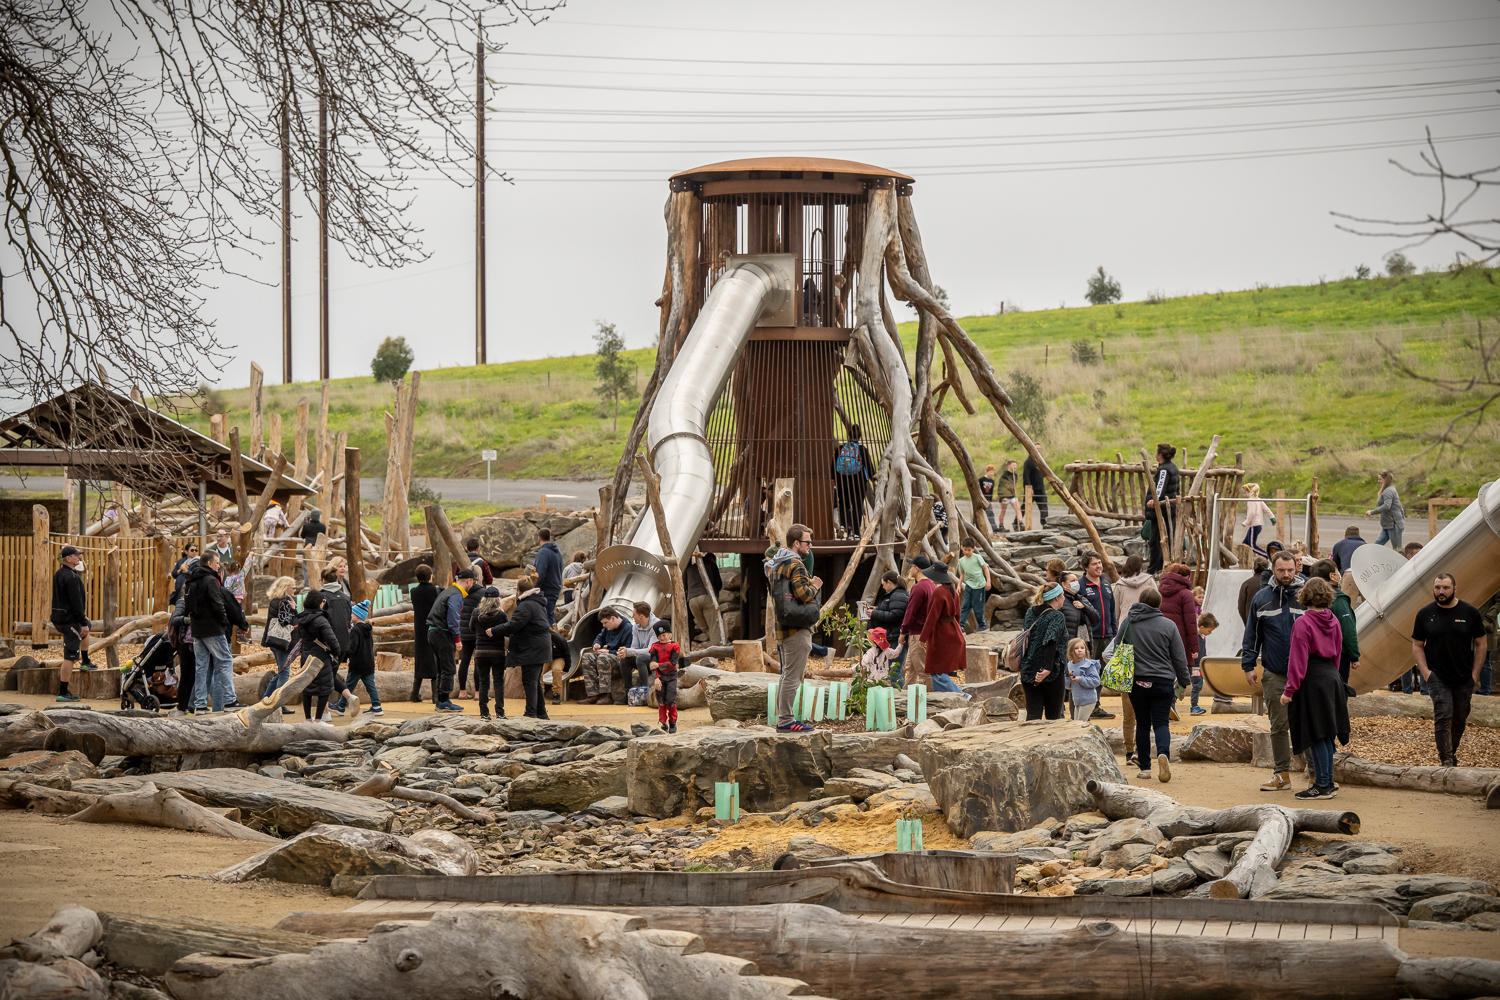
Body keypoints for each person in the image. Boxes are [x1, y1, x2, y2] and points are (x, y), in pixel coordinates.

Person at [1241, 551, 1307, 792]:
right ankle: (1282, 774)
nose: (1287, 574)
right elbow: (1252, 634)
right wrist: (1248, 665)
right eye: (1281, 570)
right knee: (1279, 726)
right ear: (1274, 570)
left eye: (1290, 570)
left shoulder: (1307, 595)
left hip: (1307, 675)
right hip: (1276, 673)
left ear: (1296, 568)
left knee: (1308, 723)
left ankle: (1315, 774)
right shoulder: (1262, 598)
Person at [1110, 587, 1189, 782]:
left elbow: (1116, 648)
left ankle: (1145, 767)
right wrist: (1184, 681)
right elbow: (1179, 658)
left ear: (1141, 601)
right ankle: (1163, 754)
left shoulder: (1129, 622)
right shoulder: (1169, 625)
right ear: (1158, 604)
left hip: (1137, 681)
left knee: (1142, 723)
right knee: (1161, 722)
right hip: (1163, 681)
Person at [1282, 578, 1351, 799]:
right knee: (1328, 732)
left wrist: (1289, 690)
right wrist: (1334, 677)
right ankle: (1327, 782)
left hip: (1312, 679)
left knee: (1317, 734)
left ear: (1305, 596)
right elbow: (1339, 652)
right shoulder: (1334, 620)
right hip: (1332, 676)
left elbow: (1298, 658)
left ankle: (1322, 784)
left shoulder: (1303, 623)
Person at [1412, 573, 1487, 767]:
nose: (1441, 592)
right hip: (1437, 676)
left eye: (1445, 588)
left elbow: (1481, 643)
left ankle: (1451, 752)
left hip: (1464, 676)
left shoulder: (1469, 612)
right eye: (1437, 587)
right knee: (1443, 714)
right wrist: (1426, 673)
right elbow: (1417, 645)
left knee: (1459, 718)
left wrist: (1474, 675)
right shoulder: (1425, 613)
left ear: (1455, 588)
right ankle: (1446, 760)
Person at [767, 523, 822, 733]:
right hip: (797, 628)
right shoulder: (796, 565)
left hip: (783, 626)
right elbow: (803, 595)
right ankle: (786, 721)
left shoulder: (776, 564)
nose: (810, 545)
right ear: (796, 543)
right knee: (792, 676)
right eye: (807, 542)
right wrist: (815, 585)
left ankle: (784, 719)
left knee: (786, 674)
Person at [185, 549, 249, 713]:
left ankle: (200, 704)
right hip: (213, 628)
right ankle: (230, 701)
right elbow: (217, 602)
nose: (219, 564)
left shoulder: (192, 581)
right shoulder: (210, 580)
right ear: (209, 563)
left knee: (202, 667)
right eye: (217, 561)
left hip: (197, 629)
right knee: (225, 661)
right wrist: (224, 621)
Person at [486, 577, 553, 718]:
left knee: (530, 680)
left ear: (519, 591)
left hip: (532, 648)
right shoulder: (538, 603)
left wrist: (495, 630)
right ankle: (541, 712)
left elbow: (515, 625)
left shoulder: (526, 605)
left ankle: (530, 713)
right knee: (534, 681)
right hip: (540, 646)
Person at [1109, 553, 1153, 758]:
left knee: (1128, 710)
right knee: (1145, 710)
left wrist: (1119, 625)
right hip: (1148, 634)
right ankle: (1142, 750)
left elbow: (1116, 610)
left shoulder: (1119, 585)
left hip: (1125, 635)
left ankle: (1128, 749)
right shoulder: (1150, 581)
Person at [425, 568, 473, 712]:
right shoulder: (456, 595)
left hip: (433, 631)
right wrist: (457, 639)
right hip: (442, 633)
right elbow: (453, 618)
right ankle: (444, 700)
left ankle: (440, 700)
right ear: (469, 581)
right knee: (449, 668)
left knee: (441, 667)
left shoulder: (448, 590)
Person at [50, 545, 93, 703]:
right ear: (68, 558)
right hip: (69, 621)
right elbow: (75, 601)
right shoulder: (71, 577)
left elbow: (65, 599)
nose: (79, 557)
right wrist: (82, 622)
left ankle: (86, 661)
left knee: (89, 626)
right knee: (70, 656)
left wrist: (83, 618)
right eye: (76, 555)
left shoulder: (60, 573)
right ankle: (63, 692)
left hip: (59, 617)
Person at [917, 561, 967, 695]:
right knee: (941, 669)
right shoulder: (953, 592)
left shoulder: (938, 592)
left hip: (941, 634)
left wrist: (923, 638)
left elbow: (932, 617)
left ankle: (961, 695)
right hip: (952, 631)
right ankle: (942, 698)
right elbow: (957, 615)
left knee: (937, 670)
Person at [1020, 583, 1069, 720]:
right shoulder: (1057, 616)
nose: (1064, 599)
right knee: (1053, 717)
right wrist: (1047, 668)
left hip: (1028, 668)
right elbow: (1050, 641)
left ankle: (1031, 741)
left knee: (1033, 715)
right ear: (1056, 598)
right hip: (1051, 672)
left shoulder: (1030, 611)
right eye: (1063, 596)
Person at [294, 590, 344, 722]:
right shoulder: (321, 620)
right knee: (324, 689)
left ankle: (307, 719)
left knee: (307, 687)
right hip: (321, 658)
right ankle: (318, 720)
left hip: (306, 656)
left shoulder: (302, 619)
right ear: (319, 603)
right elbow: (333, 642)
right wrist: (336, 652)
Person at [1078, 552, 1117, 720]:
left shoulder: (1106, 584)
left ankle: (1095, 706)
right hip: (1089, 637)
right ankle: (1083, 707)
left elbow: (1112, 610)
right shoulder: (1080, 585)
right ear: (1086, 567)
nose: (1099, 566)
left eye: (1100, 563)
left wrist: (1114, 633)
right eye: (1095, 564)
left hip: (1106, 635)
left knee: (1100, 673)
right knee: (1086, 672)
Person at [1307, 560, 1361, 682]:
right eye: (1337, 572)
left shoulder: (1310, 599)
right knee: (1338, 692)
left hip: (1315, 656)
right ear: (1332, 576)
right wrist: (1354, 656)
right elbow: (1347, 629)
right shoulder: (1338, 600)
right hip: (1338, 655)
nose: (1339, 575)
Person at [1158, 563, 1201, 707]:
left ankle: (1164, 703)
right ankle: (1171, 703)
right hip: (1180, 640)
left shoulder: (1159, 590)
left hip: (1160, 638)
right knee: (1181, 672)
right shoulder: (1186, 594)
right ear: (1186, 577)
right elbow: (1190, 623)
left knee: (1164, 671)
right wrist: (1195, 646)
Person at [578, 607, 633, 705]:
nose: (603, 625)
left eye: (605, 622)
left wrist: (608, 652)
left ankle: (606, 694)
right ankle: (593, 694)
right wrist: (597, 644)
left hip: (621, 660)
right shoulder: (608, 628)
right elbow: (600, 637)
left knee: (603, 658)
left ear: (613, 618)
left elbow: (627, 651)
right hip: (609, 656)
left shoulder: (627, 628)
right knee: (587, 657)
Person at [261, 575, 298, 715]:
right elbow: (284, 621)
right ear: (286, 588)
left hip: (274, 640)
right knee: (284, 673)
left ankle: (266, 698)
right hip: (283, 642)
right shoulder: (285, 601)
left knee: (280, 671)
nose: (295, 590)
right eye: (293, 588)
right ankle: (278, 703)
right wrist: (294, 610)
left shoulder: (275, 601)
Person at [831, 425, 875, 537]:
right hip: (858, 482)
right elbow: (869, 467)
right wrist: (873, 478)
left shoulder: (841, 448)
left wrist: (834, 479)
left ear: (848, 436)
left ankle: (842, 526)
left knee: (843, 503)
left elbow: (833, 466)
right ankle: (856, 533)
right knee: (857, 506)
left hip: (842, 482)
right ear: (860, 437)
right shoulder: (861, 449)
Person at [471, 592, 508, 720]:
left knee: (483, 683)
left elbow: (471, 628)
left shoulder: (476, 613)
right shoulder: (501, 615)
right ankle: (500, 712)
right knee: (498, 682)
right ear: (497, 600)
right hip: (497, 652)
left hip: (481, 652)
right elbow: (507, 631)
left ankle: (484, 713)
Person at [901, 555, 937, 689]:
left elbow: (910, 613)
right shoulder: (931, 585)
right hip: (924, 632)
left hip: (917, 634)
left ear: (917, 569)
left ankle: (931, 700)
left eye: (911, 567)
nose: (909, 569)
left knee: (923, 671)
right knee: (910, 669)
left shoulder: (918, 588)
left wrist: (902, 631)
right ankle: (906, 697)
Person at [615, 601, 661, 703]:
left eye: (634, 614)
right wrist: (626, 652)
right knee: (625, 659)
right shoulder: (635, 627)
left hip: (656, 660)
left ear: (641, 616)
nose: (632, 616)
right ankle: (628, 694)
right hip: (643, 660)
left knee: (640, 658)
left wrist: (630, 651)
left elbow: (650, 651)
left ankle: (644, 693)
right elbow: (634, 647)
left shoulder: (657, 626)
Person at [1145, 443, 1179, 575]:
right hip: (1168, 508)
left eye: (1156, 452)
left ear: (1160, 455)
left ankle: (1154, 569)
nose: (1155, 454)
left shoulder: (1164, 469)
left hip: (1162, 510)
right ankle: (1159, 567)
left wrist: (1155, 500)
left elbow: (1160, 487)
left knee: (1155, 540)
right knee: (1164, 538)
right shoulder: (1172, 467)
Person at [344, 600, 382, 717]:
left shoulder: (355, 630)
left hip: (357, 663)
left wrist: (345, 657)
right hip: (369, 663)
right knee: (371, 685)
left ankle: (340, 706)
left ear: (357, 615)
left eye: (351, 614)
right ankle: (377, 705)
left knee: (348, 685)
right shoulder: (368, 630)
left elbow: (352, 646)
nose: (350, 616)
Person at [410, 565, 439, 703]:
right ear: (430, 576)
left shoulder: (414, 592)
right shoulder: (435, 590)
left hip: (419, 629)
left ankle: (414, 693)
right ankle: (436, 695)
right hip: (433, 627)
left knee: (420, 660)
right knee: (434, 659)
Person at [455, 576, 485, 701]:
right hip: (477, 631)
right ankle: (478, 693)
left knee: (465, 660)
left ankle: (462, 692)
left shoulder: (462, 592)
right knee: (478, 661)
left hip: (464, 630)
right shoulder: (482, 592)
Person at [648, 620, 682, 733]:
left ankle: (673, 721)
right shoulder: (655, 647)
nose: (662, 638)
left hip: (671, 676)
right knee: (661, 699)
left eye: (664, 635)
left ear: (669, 634)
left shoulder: (675, 646)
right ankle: (663, 721)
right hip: (660, 677)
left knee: (670, 699)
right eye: (660, 636)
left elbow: (672, 663)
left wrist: (658, 665)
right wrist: (656, 678)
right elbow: (653, 665)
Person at [684, 550, 722, 643]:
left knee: (704, 627)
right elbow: (718, 584)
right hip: (707, 597)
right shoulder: (711, 565)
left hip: (692, 600)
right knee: (714, 627)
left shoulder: (689, 569)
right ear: (713, 559)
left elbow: (685, 586)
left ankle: (712, 644)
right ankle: (717, 652)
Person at [956, 538, 992, 633]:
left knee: (977, 607)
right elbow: (962, 573)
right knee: (965, 605)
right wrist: (959, 585)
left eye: (969, 550)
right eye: (965, 549)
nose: (966, 552)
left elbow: (985, 568)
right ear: (962, 548)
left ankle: (983, 625)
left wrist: (988, 581)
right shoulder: (961, 561)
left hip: (979, 586)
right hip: (969, 586)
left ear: (973, 549)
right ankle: (961, 626)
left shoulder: (977, 557)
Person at [1367, 470, 1405, 551]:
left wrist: (1372, 512)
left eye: (1380, 479)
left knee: (1397, 550)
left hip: (1394, 525)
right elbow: (1399, 506)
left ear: (1386, 480)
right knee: (1377, 546)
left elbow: (1387, 506)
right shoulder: (1388, 490)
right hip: (1387, 525)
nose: (1378, 481)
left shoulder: (1388, 491)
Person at [1066, 638, 1102, 722]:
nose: (1080, 650)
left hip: (1088, 700)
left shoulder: (1088, 664)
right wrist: (1068, 677)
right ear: (1071, 651)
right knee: (1077, 723)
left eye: (1082, 648)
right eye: (1076, 648)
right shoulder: (1069, 665)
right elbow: (1068, 686)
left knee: (1080, 724)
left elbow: (1096, 681)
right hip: (1077, 700)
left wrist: (1080, 679)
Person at [534, 528, 563, 625]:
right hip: (555, 588)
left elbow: (540, 574)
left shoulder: (544, 552)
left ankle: (550, 639)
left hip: (546, 590)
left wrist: (535, 589)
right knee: (549, 615)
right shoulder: (557, 551)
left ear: (539, 538)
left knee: (546, 618)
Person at [1192, 613, 1219, 715]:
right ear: (1202, 627)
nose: (1210, 633)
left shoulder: (1203, 636)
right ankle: (1193, 706)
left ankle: (1218, 695)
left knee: (1200, 683)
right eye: (1209, 631)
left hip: (1200, 664)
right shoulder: (1195, 637)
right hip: (1194, 666)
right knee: (1196, 685)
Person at [1239, 484, 1275, 556]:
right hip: (1258, 526)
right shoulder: (1258, 499)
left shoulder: (1251, 500)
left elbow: (1251, 513)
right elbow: (1267, 509)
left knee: (1252, 547)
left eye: (1245, 493)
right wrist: (1272, 519)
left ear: (1249, 492)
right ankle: (1239, 562)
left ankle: (1268, 557)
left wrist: (1246, 522)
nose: (1244, 495)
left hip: (1254, 526)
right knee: (1245, 544)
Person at [1238, 557, 1270, 625]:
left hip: (1252, 622)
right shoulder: (1272, 583)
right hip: (1269, 623)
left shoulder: (1246, 584)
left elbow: (1241, 608)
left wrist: (1247, 624)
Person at [1021, 454, 1048, 529]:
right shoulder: (1029, 461)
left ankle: (1045, 523)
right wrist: (1029, 487)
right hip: (1031, 489)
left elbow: (1045, 472)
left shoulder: (1041, 461)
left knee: (1044, 506)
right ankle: (1017, 522)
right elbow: (1025, 475)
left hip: (1040, 489)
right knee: (1025, 506)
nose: (1038, 450)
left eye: (1039, 449)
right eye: (1037, 449)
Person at [998, 459, 1022, 531]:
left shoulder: (1015, 475)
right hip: (1005, 496)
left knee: (1018, 508)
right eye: (1013, 465)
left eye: (1016, 465)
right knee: (1003, 511)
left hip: (1012, 495)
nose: (1015, 466)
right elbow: (1001, 486)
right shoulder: (1004, 475)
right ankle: (1001, 525)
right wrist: (1003, 496)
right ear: (1009, 466)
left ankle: (1021, 523)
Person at [978, 464, 998, 532]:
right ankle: (974, 526)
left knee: (990, 513)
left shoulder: (992, 481)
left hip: (988, 499)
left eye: (993, 472)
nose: (992, 473)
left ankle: (994, 527)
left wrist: (990, 501)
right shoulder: (981, 480)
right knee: (977, 513)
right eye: (990, 472)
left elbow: (991, 492)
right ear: (986, 472)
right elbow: (978, 489)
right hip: (980, 498)